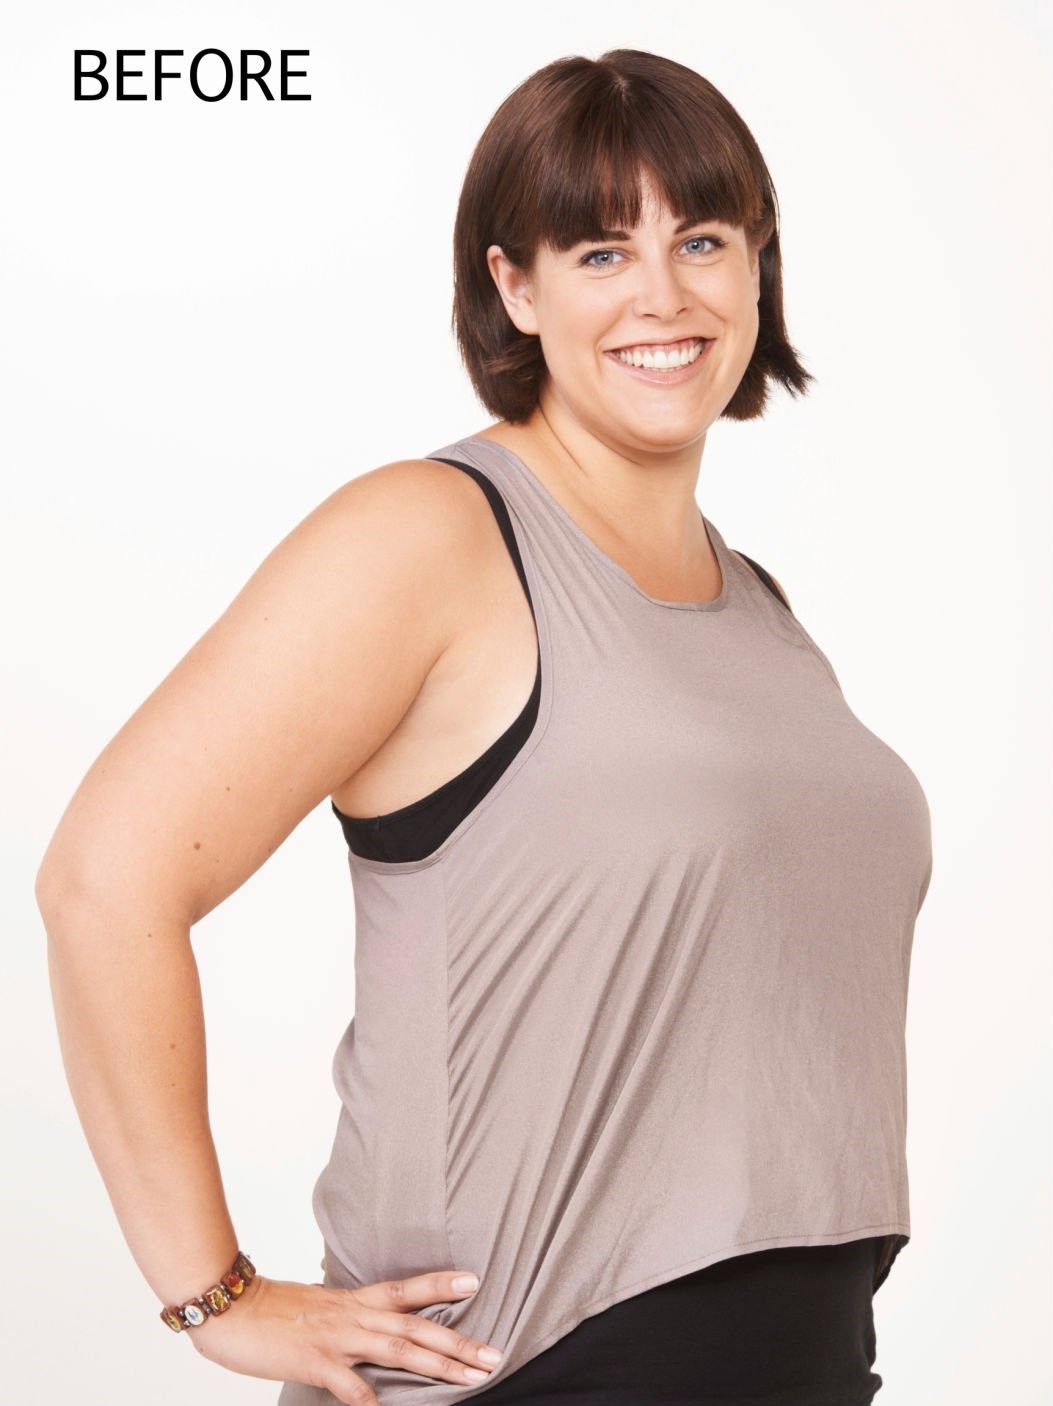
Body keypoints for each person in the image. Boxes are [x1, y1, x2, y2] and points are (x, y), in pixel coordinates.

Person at [36, 47, 933, 1406]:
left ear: (756, 266)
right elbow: (105, 879)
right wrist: (211, 1293)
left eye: (700, 238)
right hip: (532, 1371)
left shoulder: (759, 607)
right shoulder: (432, 536)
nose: (661, 295)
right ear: (513, 284)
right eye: (597, 251)